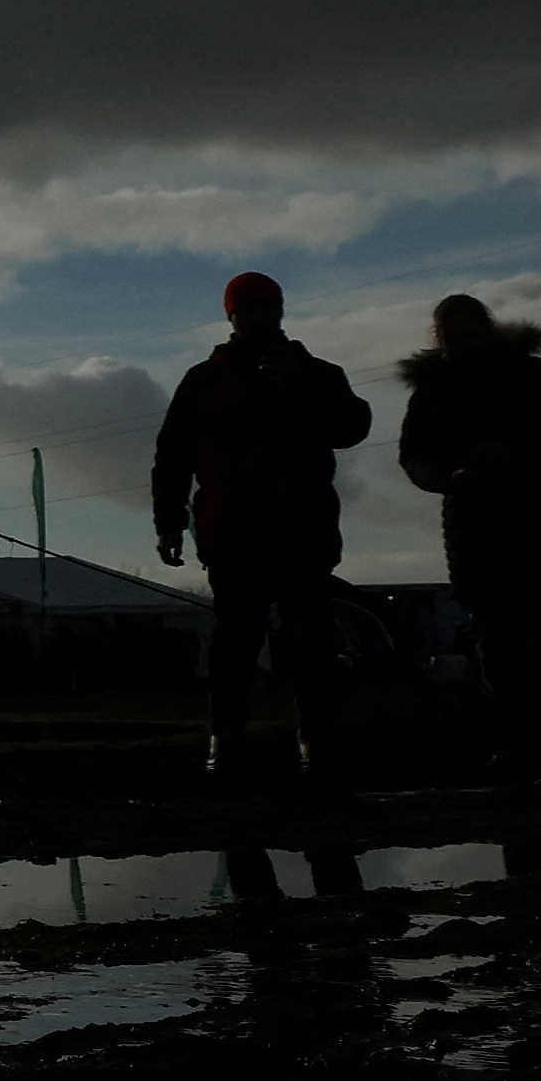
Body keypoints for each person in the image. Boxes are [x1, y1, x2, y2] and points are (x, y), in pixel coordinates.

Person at [152, 272, 373, 781]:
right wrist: (169, 523)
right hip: (234, 530)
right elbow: (173, 456)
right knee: (237, 643)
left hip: (299, 528)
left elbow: (352, 428)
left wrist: (302, 389)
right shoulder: (203, 380)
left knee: (308, 641)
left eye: (264, 308)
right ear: (231, 316)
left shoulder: (316, 373)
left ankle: (316, 744)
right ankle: (227, 743)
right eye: (246, 310)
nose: (256, 318)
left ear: (279, 312)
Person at [396, 294, 541, 781]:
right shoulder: (436, 392)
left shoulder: (533, 375)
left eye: (465, 327)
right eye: (451, 330)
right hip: (485, 531)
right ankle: (527, 746)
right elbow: (416, 458)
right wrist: (453, 475)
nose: (459, 337)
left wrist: (513, 455)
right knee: (504, 642)